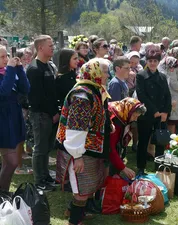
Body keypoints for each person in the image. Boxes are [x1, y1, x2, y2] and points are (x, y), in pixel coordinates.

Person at [56, 58, 111, 225]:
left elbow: (94, 117)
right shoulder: (82, 95)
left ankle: (74, 211)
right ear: (95, 73)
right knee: (82, 188)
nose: (108, 75)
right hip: (79, 148)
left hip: (88, 146)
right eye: (105, 72)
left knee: (86, 185)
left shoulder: (93, 90)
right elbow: (75, 128)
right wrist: (77, 155)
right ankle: (74, 221)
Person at [27, 35, 59, 192]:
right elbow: (37, 96)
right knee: (40, 148)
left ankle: (46, 176)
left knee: (47, 148)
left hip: (51, 114)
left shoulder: (50, 66)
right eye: (50, 45)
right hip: (40, 114)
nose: (53, 47)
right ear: (40, 48)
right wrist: (52, 112)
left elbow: (52, 92)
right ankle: (39, 180)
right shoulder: (34, 69)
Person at [136, 45, 171, 175]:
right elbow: (141, 95)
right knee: (143, 141)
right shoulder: (141, 75)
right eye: (150, 61)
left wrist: (166, 112)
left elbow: (168, 95)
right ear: (146, 61)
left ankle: (160, 167)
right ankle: (141, 168)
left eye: (155, 61)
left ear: (158, 62)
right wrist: (154, 111)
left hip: (161, 114)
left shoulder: (162, 76)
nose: (152, 63)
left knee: (160, 142)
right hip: (146, 114)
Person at [0, 45, 30, 194]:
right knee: (12, 162)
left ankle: (3, 191)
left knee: (8, 162)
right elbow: (4, 91)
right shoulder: (7, 72)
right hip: (3, 120)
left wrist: (19, 69)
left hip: (14, 116)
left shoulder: (8, 71)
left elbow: (25, 89)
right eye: (2, 57)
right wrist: (11, 70)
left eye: (6, 56)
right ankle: (2, 191)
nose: (6, 59)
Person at [108, 98, 147, 179]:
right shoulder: (115, 120)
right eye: (134, 116)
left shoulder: (123, 117)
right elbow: (110, 148)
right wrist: (123, 168)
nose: (135, 120)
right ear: (129, 111)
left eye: (137, 117)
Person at [158, 47, 178, 134]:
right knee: (170, 122)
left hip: (175, 95)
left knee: (172, 122)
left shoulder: (173, 64)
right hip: (172, 95)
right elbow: (173, 83)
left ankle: (171, 142)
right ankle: (168, 143)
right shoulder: (171, 63)